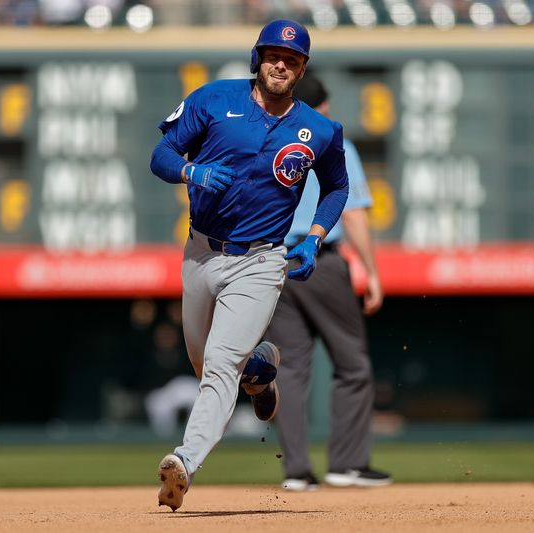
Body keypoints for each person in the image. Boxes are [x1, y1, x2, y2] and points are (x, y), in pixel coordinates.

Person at [148, 19, 350, 511]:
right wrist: (190, 169)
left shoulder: (319, 130)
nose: (282, 64)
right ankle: (261, 373)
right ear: (258, 57)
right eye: (274, 55)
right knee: (205, 364)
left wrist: (315, 236)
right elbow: (162, 153)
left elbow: (337, 186)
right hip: (201, 251)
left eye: (293, 59)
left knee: (219, 366)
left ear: (302, 69)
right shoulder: (213, 99)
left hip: (261, 260)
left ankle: (183, 463)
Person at [264, 74, 391, 491]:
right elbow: (351, 213)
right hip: (318, 258)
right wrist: (371, 272)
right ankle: (348, 464)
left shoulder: (266, 139)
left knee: (291, 369)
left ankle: (297, 471)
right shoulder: (332, 140)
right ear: (318, 109)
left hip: (271, 261)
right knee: (353, 364)